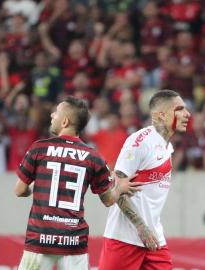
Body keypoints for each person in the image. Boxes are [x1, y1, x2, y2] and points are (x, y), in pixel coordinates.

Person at [14, 96, 142, 270]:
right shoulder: (93, 156)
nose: (52, 115)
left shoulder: (40, 148)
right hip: (73, 242)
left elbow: (19, 190)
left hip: (39, 239)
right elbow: (108, 200)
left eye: (56, 112)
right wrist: (120, 188)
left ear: (65, 121)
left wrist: (31, 189)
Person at [99, 90, 191, 270]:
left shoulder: (167, 146)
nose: (187, 114)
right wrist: (141, 227)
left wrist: (148, 229)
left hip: (153, 238)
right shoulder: (140, 142)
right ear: (161, 115)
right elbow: (116, 185)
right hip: (124, 237)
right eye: (179, 109)